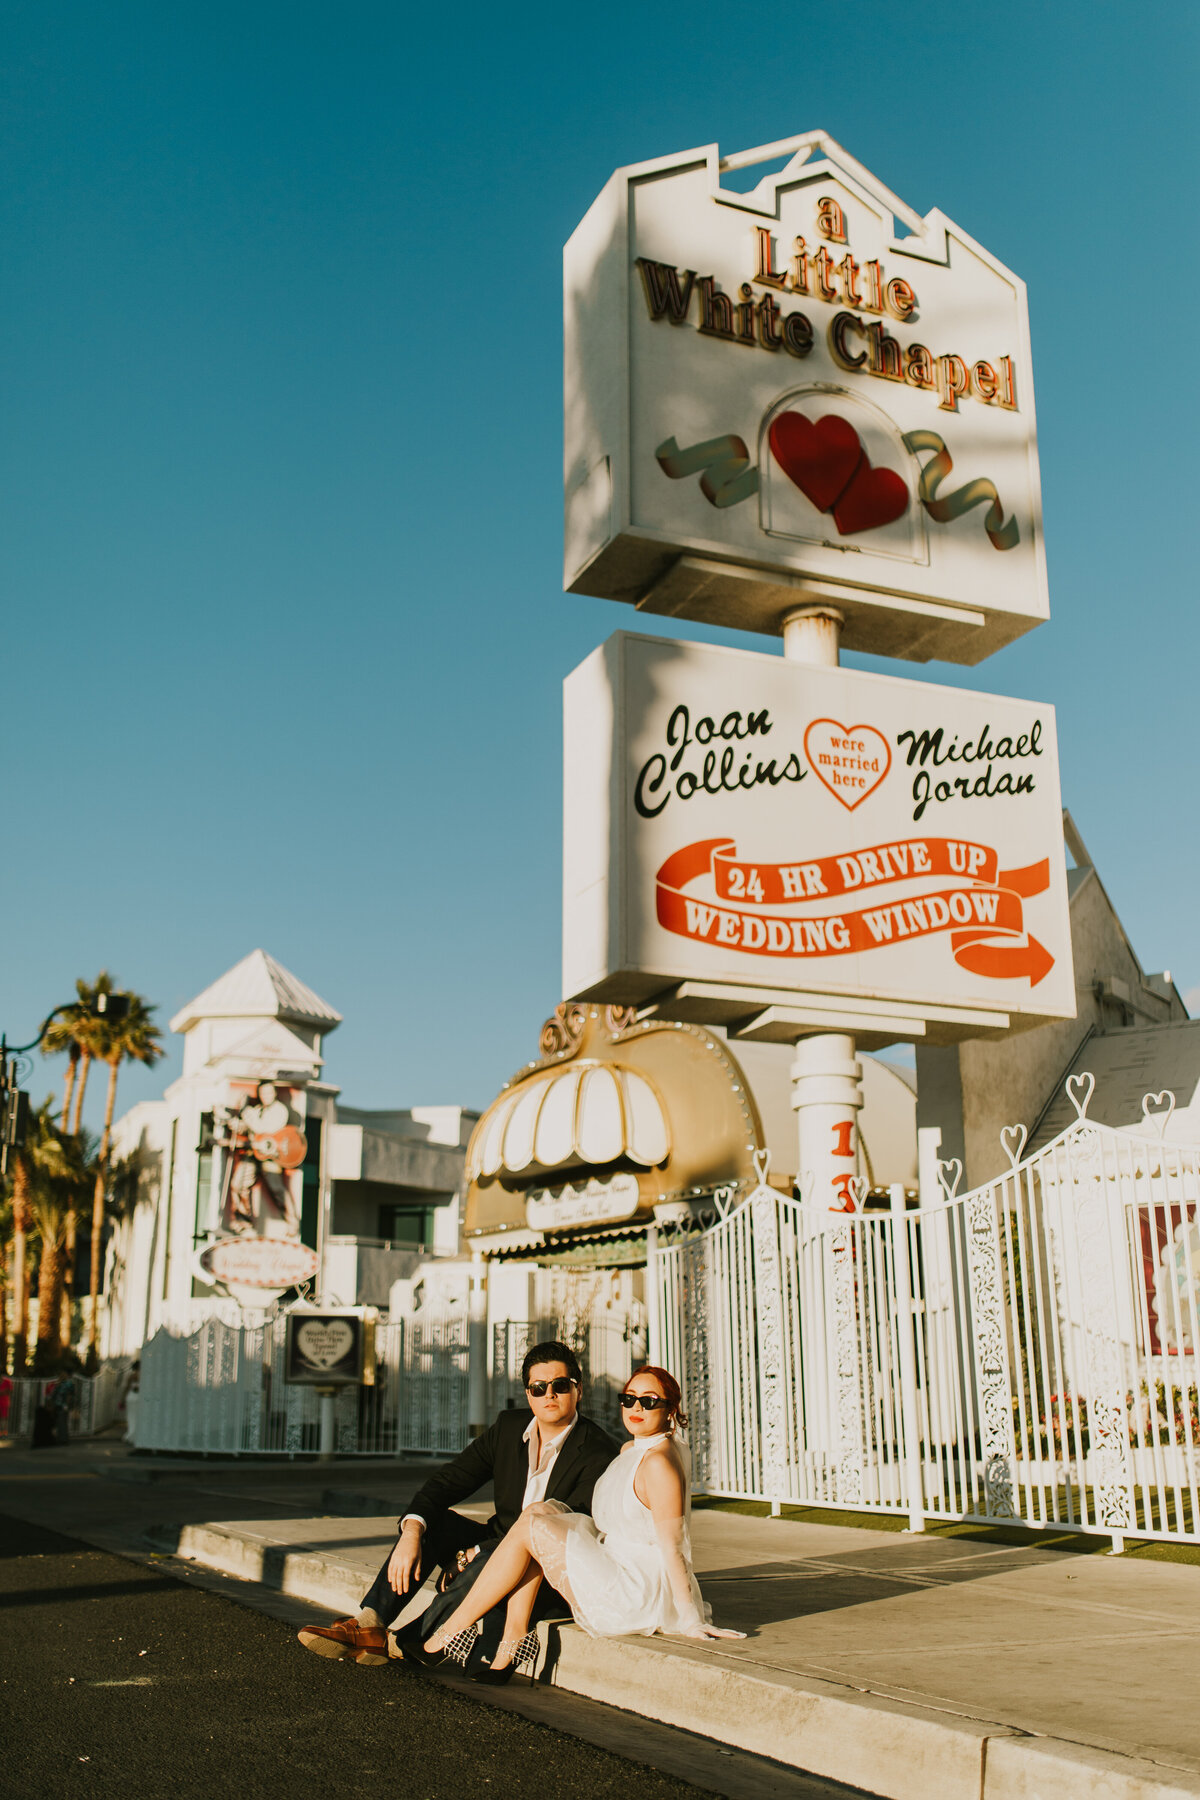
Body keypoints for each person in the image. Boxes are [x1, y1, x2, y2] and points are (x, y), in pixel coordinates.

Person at [297, 1340, 618, 1673]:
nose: (549, 1394)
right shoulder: (509, 1428)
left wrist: (474, 1552)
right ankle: (369, 1621)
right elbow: (448, 1481)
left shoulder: (597, 1452)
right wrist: (412, 1529)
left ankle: (404, 1642)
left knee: (491, 1557)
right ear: (528, 1394)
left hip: (544, 1575)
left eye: (560, 1386)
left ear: (579, 1390)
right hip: (497, 1546)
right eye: (538, 1388)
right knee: (433, 1523)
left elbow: (559, 1536)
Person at [411, 1365, 744, 1681]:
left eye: (649, 1401)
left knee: (533, 1527)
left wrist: (690, 1618)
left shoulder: (660, 1464)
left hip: (633, 1588)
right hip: (613, 1560)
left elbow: (674, 1547)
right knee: (537, 1514)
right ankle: (511, 1640)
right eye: (629, 1399)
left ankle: (452, 1630)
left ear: (670, 1409)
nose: (635, 1407)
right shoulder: (633, 1448)